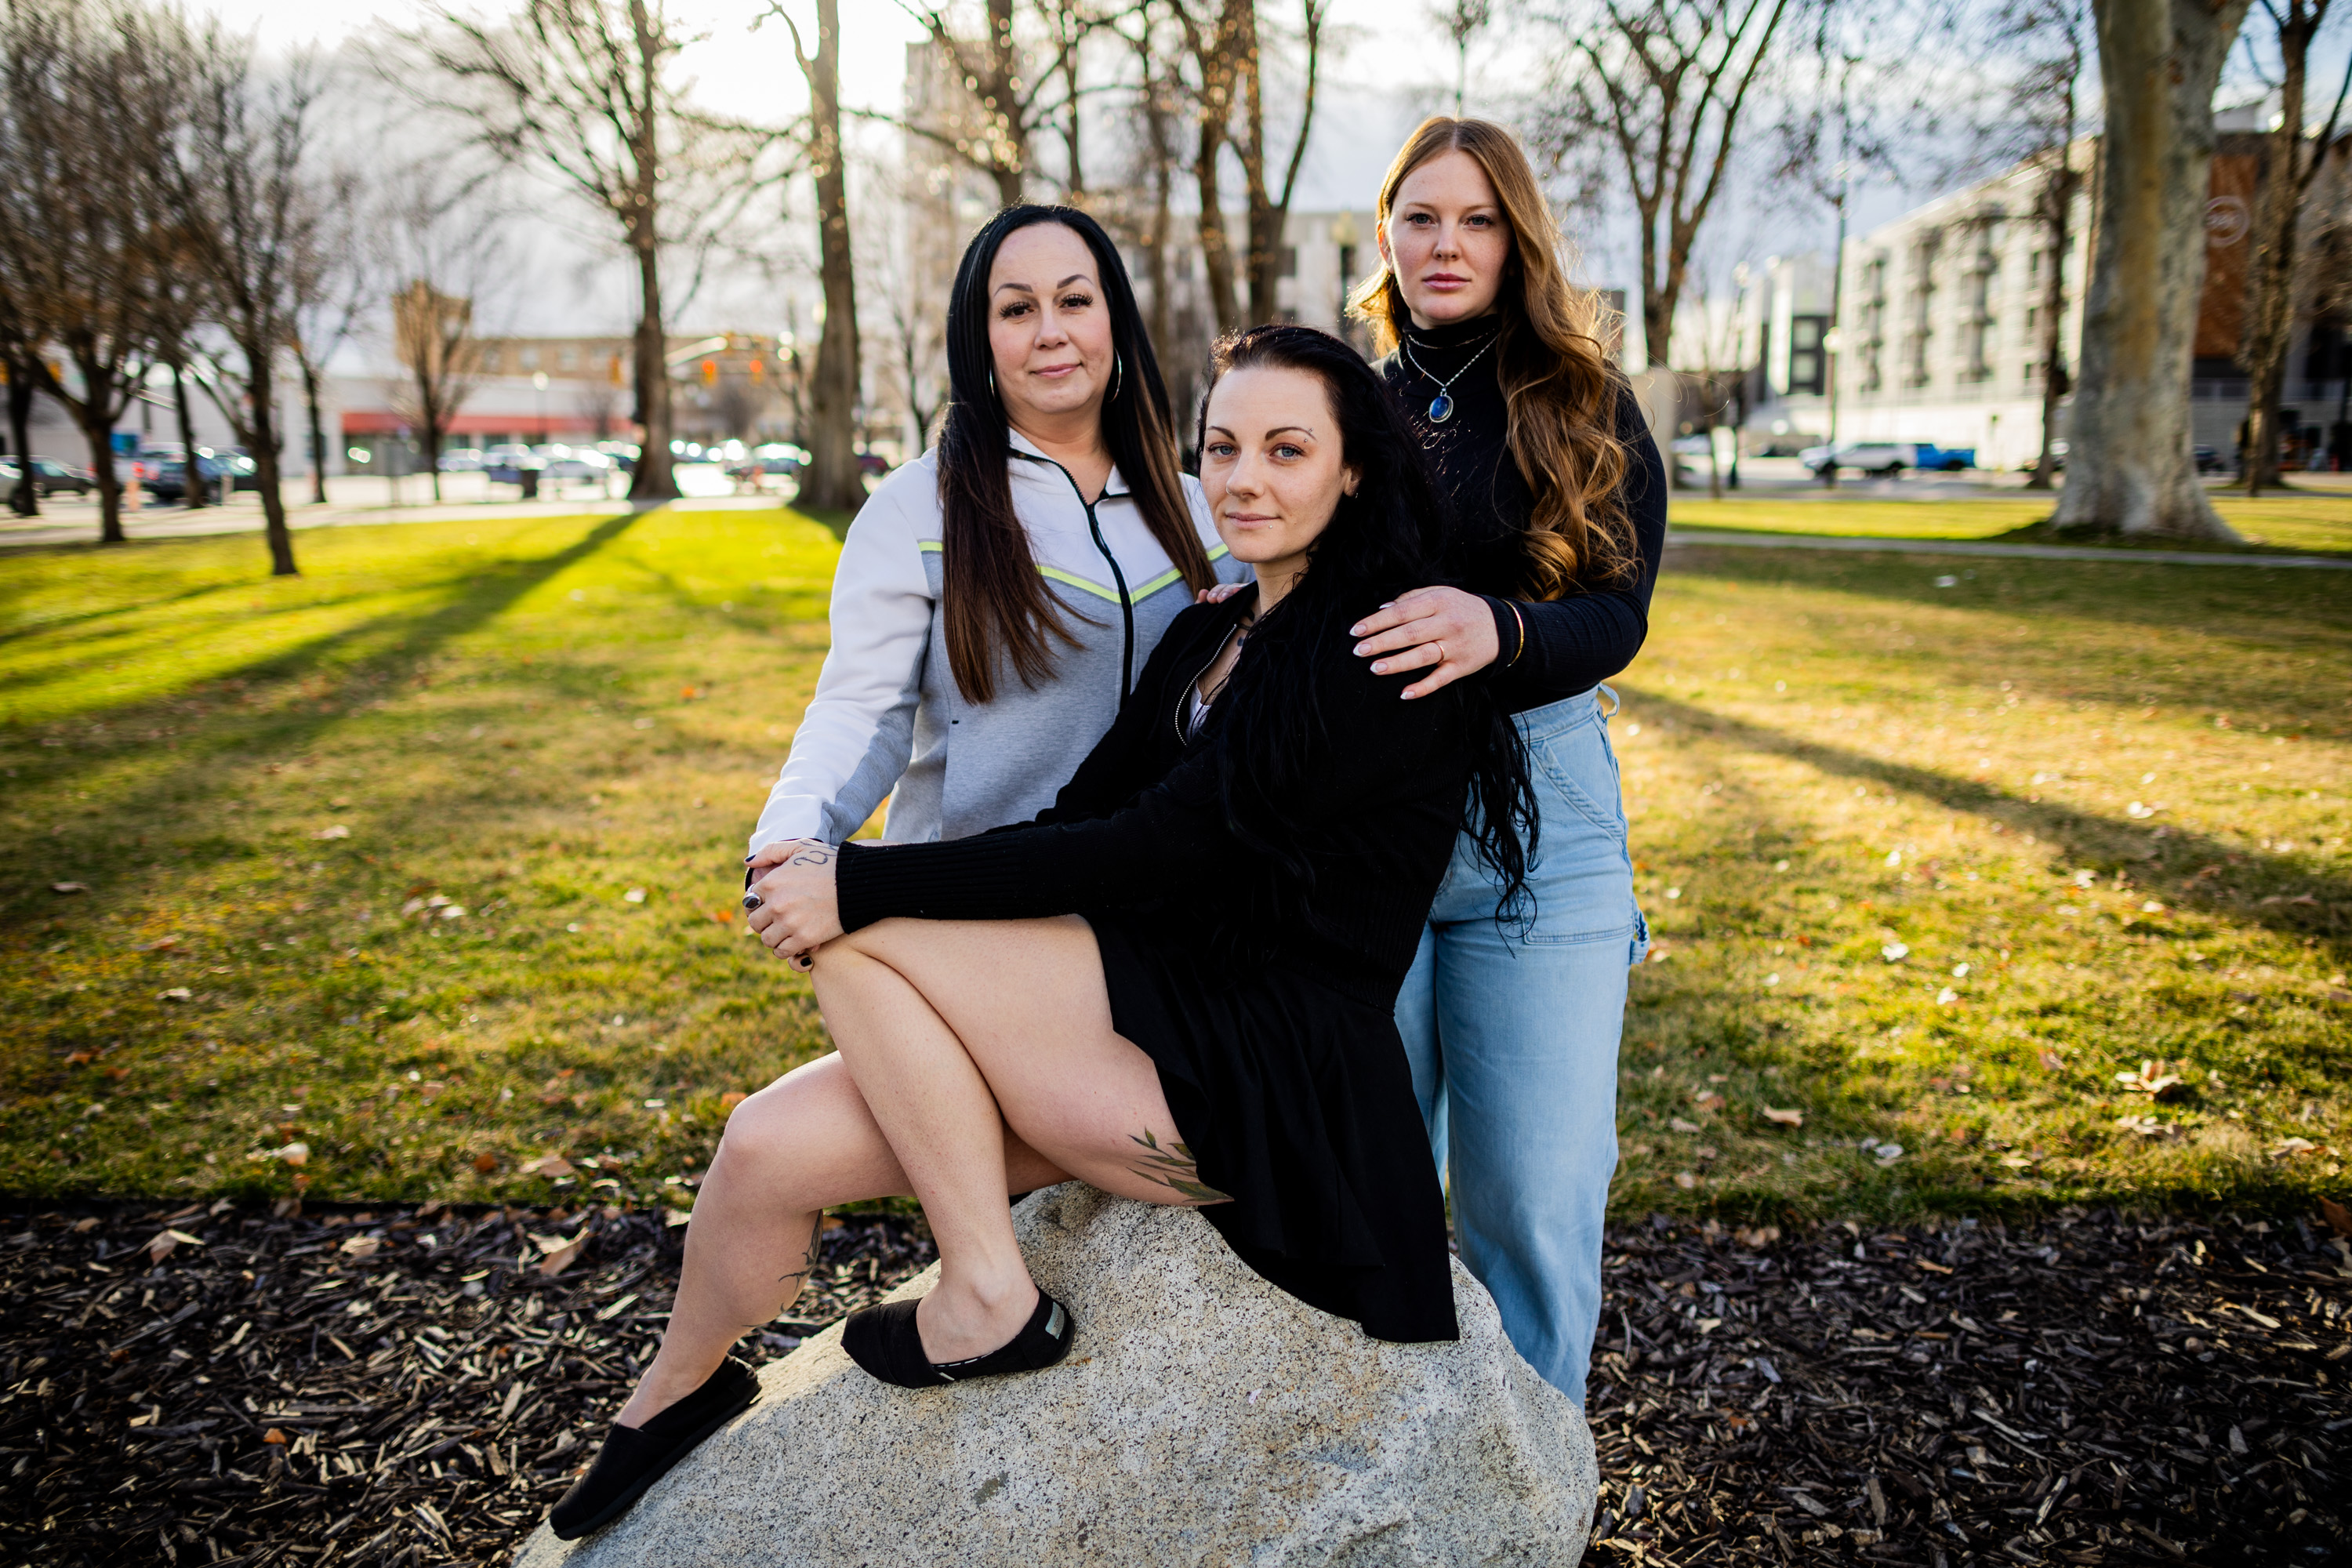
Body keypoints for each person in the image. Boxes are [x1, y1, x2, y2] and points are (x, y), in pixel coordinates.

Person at [544, 325, 1537, 1540]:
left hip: (1249, 1081)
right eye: (1223, 445)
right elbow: (1086, 817)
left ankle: (988, 1296)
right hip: (1123, 1024)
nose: (1244, 477)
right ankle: (671, 1398)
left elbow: (1155, 849)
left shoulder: (1371, 647)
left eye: (1288, 449)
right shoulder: (1212, 630)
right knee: (764, 1148)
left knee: (860, 936)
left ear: (1354, 472)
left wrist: (858, 882)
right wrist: (887, 899)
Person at [1342, 116, 1668, 1404]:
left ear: (1515, 236)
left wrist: (1499, 627)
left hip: (1544, 819)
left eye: (1477, 219)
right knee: (1360, 1188)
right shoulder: (1338, 399)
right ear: (1386, 231)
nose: (1447, 243)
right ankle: (1387, 1478)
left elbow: (1618, 616)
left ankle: (1534, 1493)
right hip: (1363, 822)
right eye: (1422, 217)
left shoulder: (1584, 401)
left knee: (1531, 1190)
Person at [745, 203, 1236, 867]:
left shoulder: (1206, 511)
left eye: (1074, 300)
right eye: (1016, 310)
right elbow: (862, 713)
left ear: (1113, 318)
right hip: (962, 910)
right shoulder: (915, 510)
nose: (1051, 331)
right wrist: (789, 837)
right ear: (979, 337)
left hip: (1147, 925)